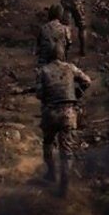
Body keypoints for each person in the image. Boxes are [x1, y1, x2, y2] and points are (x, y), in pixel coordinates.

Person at [36, 49, 91, 196]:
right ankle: (64, 186)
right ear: (62, 56)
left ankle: (51, 174)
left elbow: (39, 94)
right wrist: (77, 93)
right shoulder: (71, 68)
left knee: (47, 142)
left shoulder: (43, 71)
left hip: (50, 112)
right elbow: (87, 81)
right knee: (66, 150)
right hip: (68, 113)